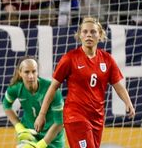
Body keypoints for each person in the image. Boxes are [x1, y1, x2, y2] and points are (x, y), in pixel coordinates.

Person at [35, 18, 135, 148]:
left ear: (100, 35)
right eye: (85, 31)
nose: (89, 35)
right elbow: (53, 87)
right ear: (80, 35)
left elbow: (118, 85)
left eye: (93, 32)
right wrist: (42, 114)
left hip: (97, 118)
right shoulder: (70, 58)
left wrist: (128, 102)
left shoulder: (107, 59)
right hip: (75, 116)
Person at [2, 57, 65, 148]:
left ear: (37, 72)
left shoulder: (52, 90)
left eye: (34, 71)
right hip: (30, 134)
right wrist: (19, 127)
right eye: (27, 72)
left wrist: (41, 144)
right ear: (20, 73)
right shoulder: (15, 88)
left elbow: (59, 123)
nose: (31, 76)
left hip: (52, 137)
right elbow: (6, 105)